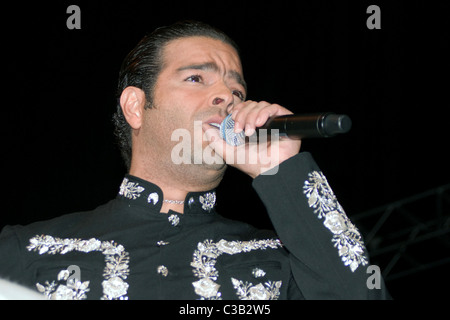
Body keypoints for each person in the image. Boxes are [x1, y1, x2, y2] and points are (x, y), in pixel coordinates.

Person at [0, 20, 389, 300]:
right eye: (196, 79)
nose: (227, 95)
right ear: (136, 106)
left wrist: (282, 171)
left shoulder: (276, 259)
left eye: (237, 88)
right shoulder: (24, 250)